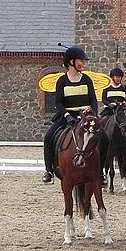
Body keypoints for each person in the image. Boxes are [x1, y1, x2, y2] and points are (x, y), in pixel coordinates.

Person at [42, 46, 98, 183]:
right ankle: (49, 170)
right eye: (80, 61)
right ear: (71, 62)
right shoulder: (62, 81)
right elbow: (59, 103)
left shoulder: (87, 79)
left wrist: (91, 112)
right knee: (49, 137)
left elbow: (93, 100)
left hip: (86, 118)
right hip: (68, 118)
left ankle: (101, 171)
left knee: (105, 139)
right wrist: (67, 116)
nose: (83, 64)